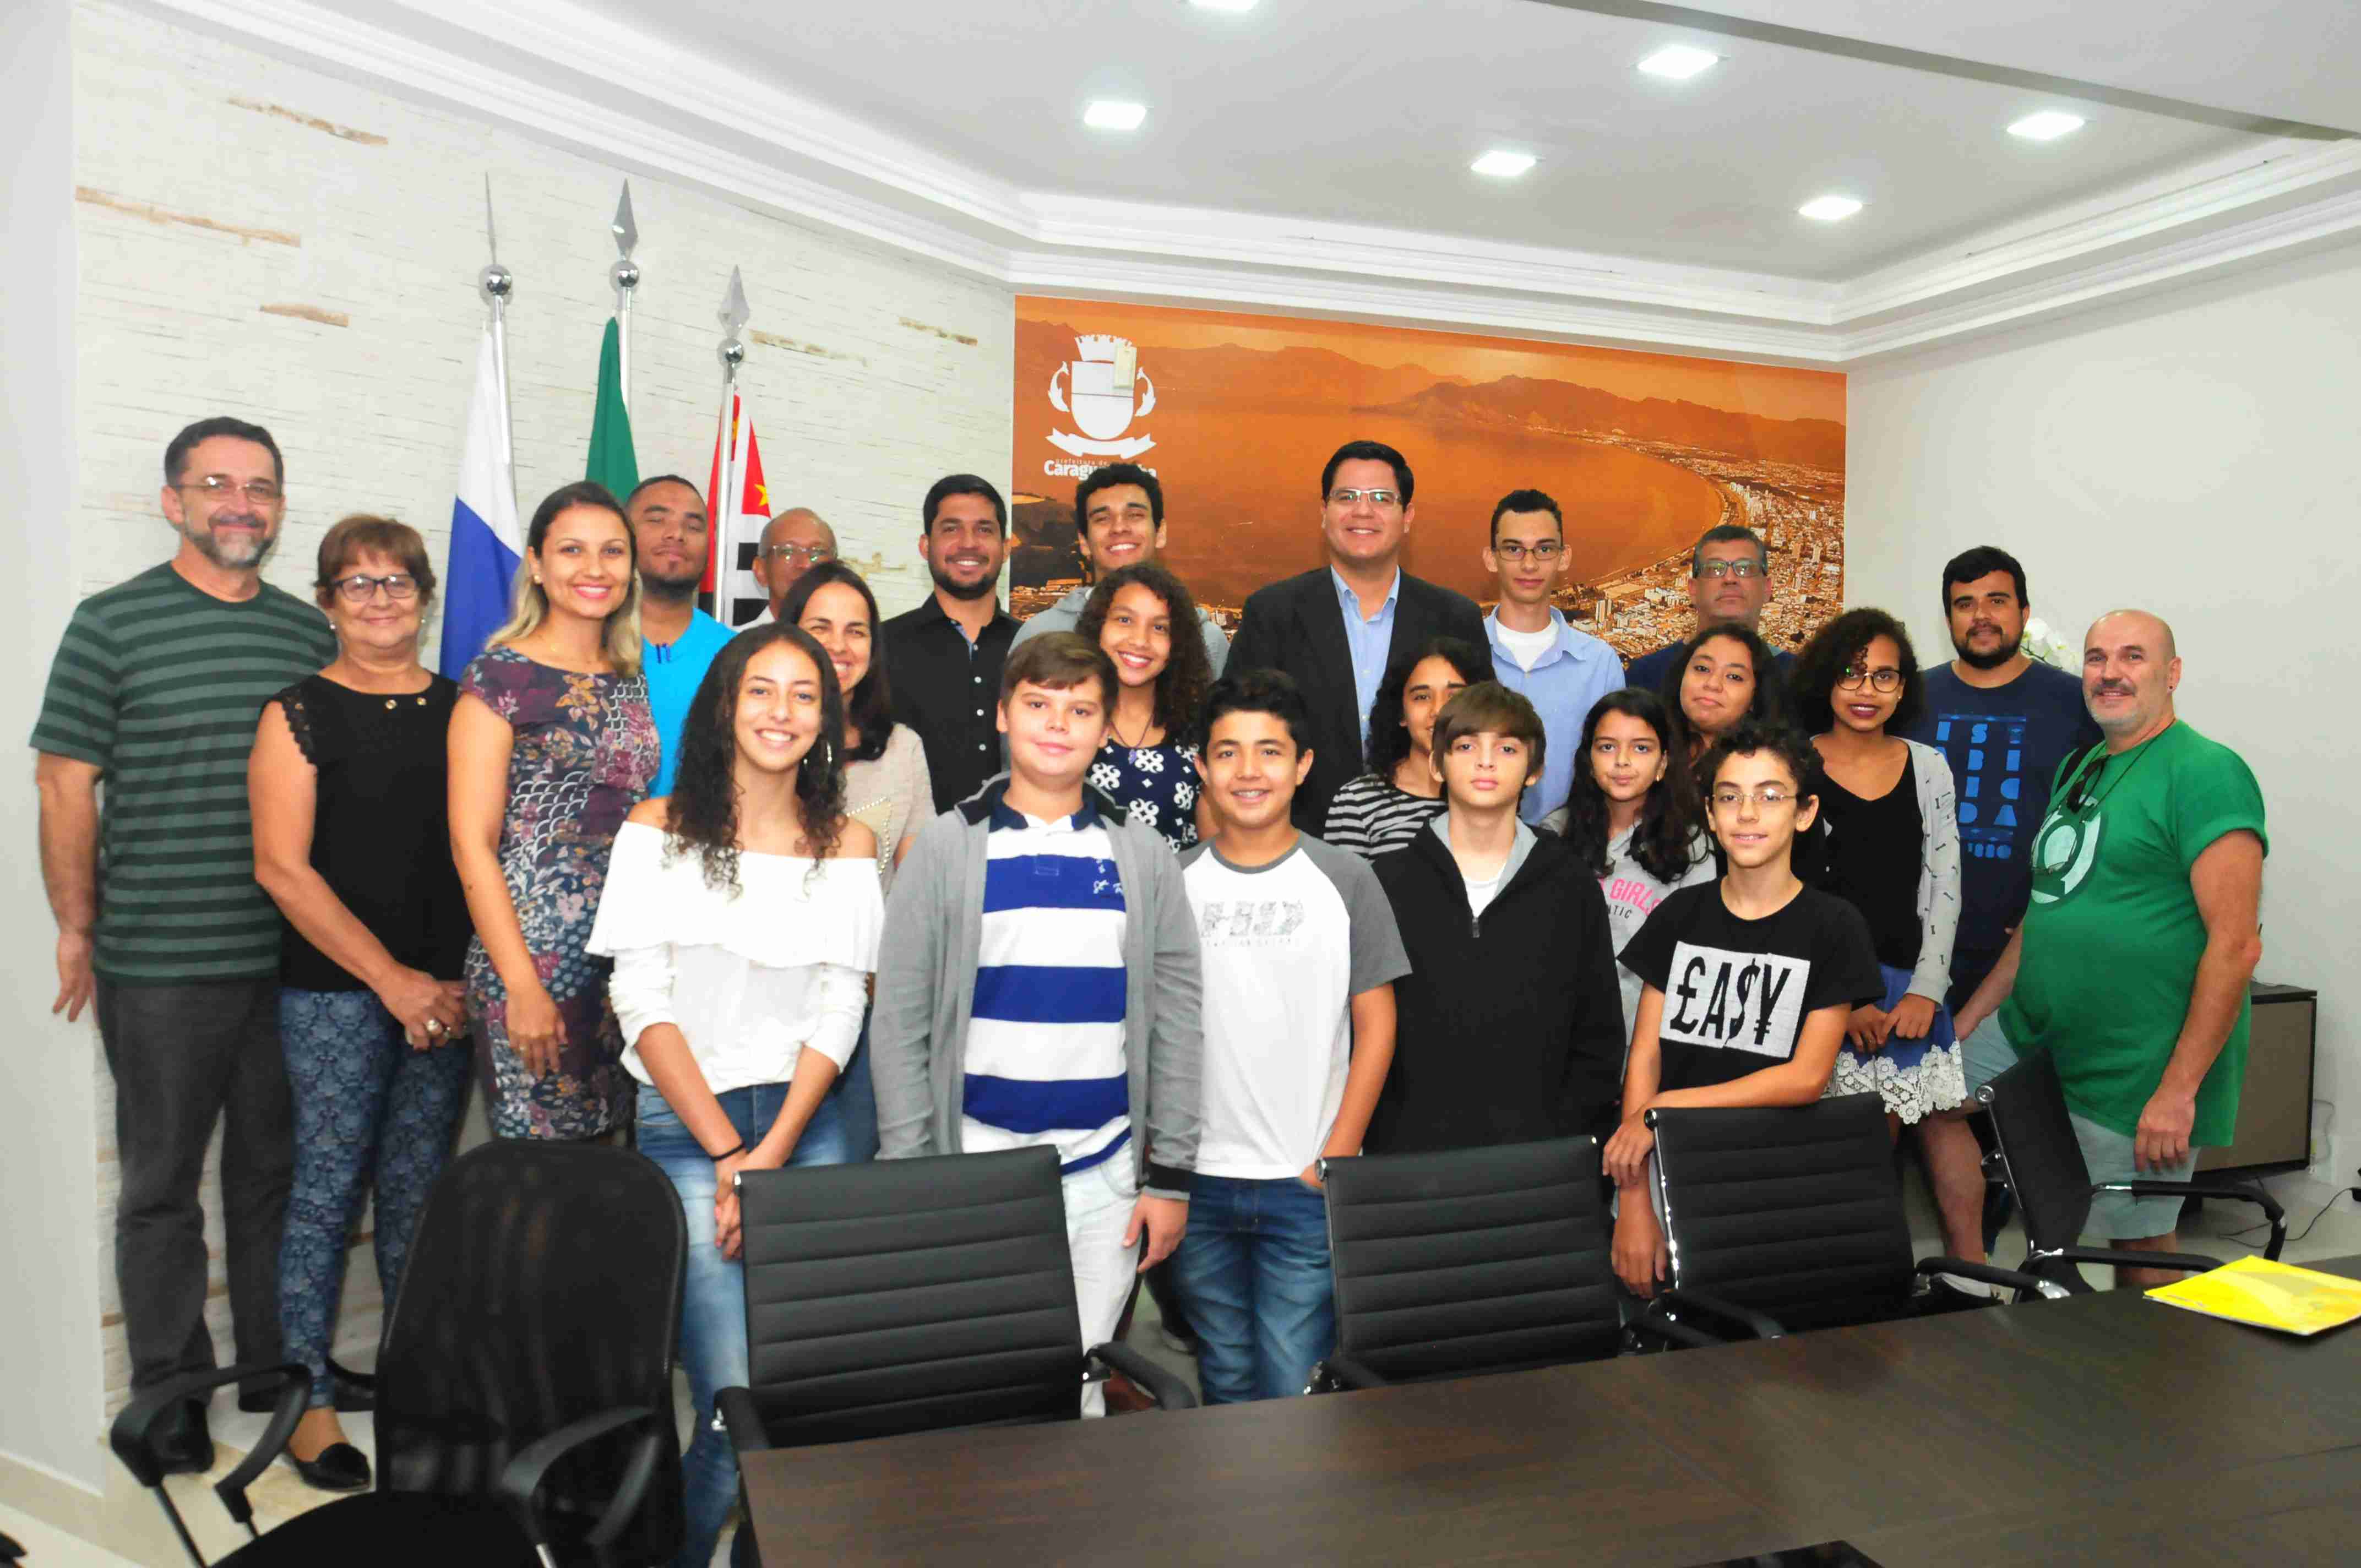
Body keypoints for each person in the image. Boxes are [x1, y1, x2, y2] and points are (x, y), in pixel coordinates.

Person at [32, 416, 336, 1473]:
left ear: (280, 506)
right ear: (175, 501)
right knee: (161, 1186)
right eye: (216, 483)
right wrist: (77, 923)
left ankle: (275, 1378)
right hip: (160, 960)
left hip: (294, 961)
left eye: (260, 484)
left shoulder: (308, 635)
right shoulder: (110, 624)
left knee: (275, 1179)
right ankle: (169, 1395)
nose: (240, 502)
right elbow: (65, 782)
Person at [585, 623, 881, 1568]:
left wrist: (772, 1151)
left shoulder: (848, 842)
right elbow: (638, 998)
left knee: (801, 1388)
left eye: (804, 694)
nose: (781, 711)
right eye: (761, 689)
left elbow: (843, 1002)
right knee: (728, 1398)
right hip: (688, 1131)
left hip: (810, 1125)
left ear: (826, 720)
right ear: (724, 703)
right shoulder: (654, 828)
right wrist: (726, 1154)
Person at [871, 633, 1204, 1418]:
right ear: (1002, 716)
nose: (1059, 724)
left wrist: (1170, 1178)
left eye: (1081, 709)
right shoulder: (949, 848)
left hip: (1107, 1175)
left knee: (1077, 1396)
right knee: (977, 1393)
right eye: (1040, 704)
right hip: (976, 1173)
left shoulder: (1145, 855)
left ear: (1103, 728)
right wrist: (915, 1174)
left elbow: (1180, 1021)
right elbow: (902, 1020)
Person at [248, 516, 472, 1493]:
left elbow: (484, 850)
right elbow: (282, 870)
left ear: (425, 595)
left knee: (421, 1198)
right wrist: (393, 980)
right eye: (357, 584)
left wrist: (459, 979)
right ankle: (308, 1404)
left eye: (397, 582)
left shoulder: (465, 708)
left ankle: (414, 1384)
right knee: (327, 1190)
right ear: (328, 601)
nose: (381, 600)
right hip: (339, 992)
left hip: (450, 993)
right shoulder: (295, 712)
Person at [1954, 611, 2265, 1291]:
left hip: (2135, 1065)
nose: (2109, 672)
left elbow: (2236, 946)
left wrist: (2177, 1092)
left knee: (2138, 1244)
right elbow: (2047, 907)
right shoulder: (2084, 764)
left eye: (2132, 657)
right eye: (2096, 658)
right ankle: (1979, 1276)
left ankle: (2145, 1382)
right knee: (1930, 1094)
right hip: (2032, 1031)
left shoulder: (2207, 772)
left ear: (2172, 673)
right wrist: (1970, 1018)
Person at [1172, 670, 1408, 1403]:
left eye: (1270, 752)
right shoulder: (1171, 881)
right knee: (1223, 1376)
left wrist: (1336, 1154)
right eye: (1229, 752)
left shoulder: (1345, 877)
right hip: (1196, 1185)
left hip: (1303, 1184)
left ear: (1303, 766)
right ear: (1202, 766)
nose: (1249, 772)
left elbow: (1378, 1025)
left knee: (1290, 1384)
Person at [1607, 721, 1884, 1298]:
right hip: (1673, 1169)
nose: (1747, 813)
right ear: (1709, 814)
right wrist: (1635, 1202)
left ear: (1804, 813)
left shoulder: (1834, 926)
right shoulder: (1680, 915)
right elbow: (1646, 1054)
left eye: (1769, 795)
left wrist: (1666, 1105)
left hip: (1776, 1178)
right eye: (1730, 796)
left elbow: (1805, 1078)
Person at [448, 481, 660, 1141]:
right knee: (543, 1180)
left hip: (620, 960)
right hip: (534, 961)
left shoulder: (626, 671)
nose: (595, 569)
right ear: (536, 564)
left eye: (612, 552)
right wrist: (521, 984)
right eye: (572, 550)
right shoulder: (499, 679)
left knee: (608, 1168)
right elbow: (470, 841)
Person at [1364, 683, 1625, 1153]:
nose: (1486, 762)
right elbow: (1360, 1035)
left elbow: (1599, 1037)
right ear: (1436, 764)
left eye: (1507, 748)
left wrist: (1564, 1137)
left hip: (1541, 1168)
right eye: (1465, 746)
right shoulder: (1387, 883)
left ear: (1535, 771)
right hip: (1409, 1166)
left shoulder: (1571, 885)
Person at [1229, 440, 1486, 832]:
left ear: (1408, 515)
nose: (1362, 510)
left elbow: (1484, 736)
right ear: (1324, 512)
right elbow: (1235, 731)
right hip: (1297, 843)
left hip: (1430, 846)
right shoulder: (1272, 613)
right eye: (1346, 496)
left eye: (1382, 498)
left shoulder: (1454, 617)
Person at [1895, 547, 2102, 1012]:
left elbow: (2099, 821)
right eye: (1965, 604)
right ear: (1948, 618)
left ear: (2024, 612)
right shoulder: (1909, 699)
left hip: (2028, 954)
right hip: (1916, 948)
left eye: (1997, 601)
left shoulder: (2076, 704)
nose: (1981, 616)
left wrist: (2056, 915)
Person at [1791, 610, 1970, 1145]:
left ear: (1902, 687)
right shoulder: (1792, 765)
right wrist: (1843, 998)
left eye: (1884, 675)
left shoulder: (1929, 766)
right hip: (1816, 992)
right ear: (1826, 679)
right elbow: (1789, 893)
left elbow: (1945, 883)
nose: (1866, 689)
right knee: (1816, 1159)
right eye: (1850, 672)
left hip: (1903, 994)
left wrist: (1926, 991)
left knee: (1880, 1155)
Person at [780, 560, 935, 1161]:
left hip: (873, 1002)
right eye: (821, 626)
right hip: (775, 997)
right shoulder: (759, 734)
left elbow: (916, 878)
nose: (840, 646)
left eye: (857, 629)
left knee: (847, 1178)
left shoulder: (902, 748)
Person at [1546, 689, 1714, 1047]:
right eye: (1607, 747)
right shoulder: (1552, 835)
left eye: (1641, 748)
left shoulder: (1692, 846)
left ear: (1664, 763)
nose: (1622, 761)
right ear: (1589, 760)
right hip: (1557, 1032)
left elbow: (1694, 961)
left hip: (1648, 1037)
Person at [1481, 489, 1623, 825]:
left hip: (1570, 855)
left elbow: (1615, 769)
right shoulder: (1462, 656)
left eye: (1544, 549)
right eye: (1514, 549)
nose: (1529, 564)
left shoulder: (1600, 665)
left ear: (1564, 557)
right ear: (1491, 557)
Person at [881, 473, 1019, 812]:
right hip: (911, 856)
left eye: (985, 529)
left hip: (1017, 852)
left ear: (1006, 547)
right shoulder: (879, 646)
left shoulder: (1035, 646)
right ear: (925, 546)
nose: (968, 543)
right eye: (951, 529)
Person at [1011, 463, 1230, 674]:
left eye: (1134, 515)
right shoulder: (1040, 634)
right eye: (1102, 519)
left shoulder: (1208, 642)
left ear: (1160, 532)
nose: (1119, 528)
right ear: (1084, 541)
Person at [1075, 563, 1218, 851]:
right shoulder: (1066, 722)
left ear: (1178, 644)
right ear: (1098, 625)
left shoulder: (1201, 731)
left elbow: (1216, 851)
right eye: (1125, 620)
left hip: (1174, 895)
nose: (1140, 640)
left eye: (1160, 627)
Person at [1320, 636, 1491, 858]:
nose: (1438, 710)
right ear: (1401, 713)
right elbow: (1345, 891)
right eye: (1422, 697)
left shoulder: (1492, 788)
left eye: (1454, 697)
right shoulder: (1356, 802)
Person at [624, 473, 735, 794]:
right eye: (657, 520)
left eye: (694, 526)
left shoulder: (739, 655)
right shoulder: (585, 642)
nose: (676, 534)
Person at [1623, 524, 1798, 695]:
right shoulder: (1645, 677)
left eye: (1745, 568)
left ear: (1767, 588)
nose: (1730, 578)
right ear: (1693, 589)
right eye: (1715, 569)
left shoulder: (1798, 681)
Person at [1662, 623, 1784, 762]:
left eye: (1734, 677)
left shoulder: (1766, 767)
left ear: (1756, 697)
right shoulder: (1648, 744)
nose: (1713, 684)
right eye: (1702, 669)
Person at [748, 507, 838, 625]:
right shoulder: (738, 643)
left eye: (818, 552)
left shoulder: (852, 643)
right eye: (788, 552)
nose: (806, 565)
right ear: (761, 570)